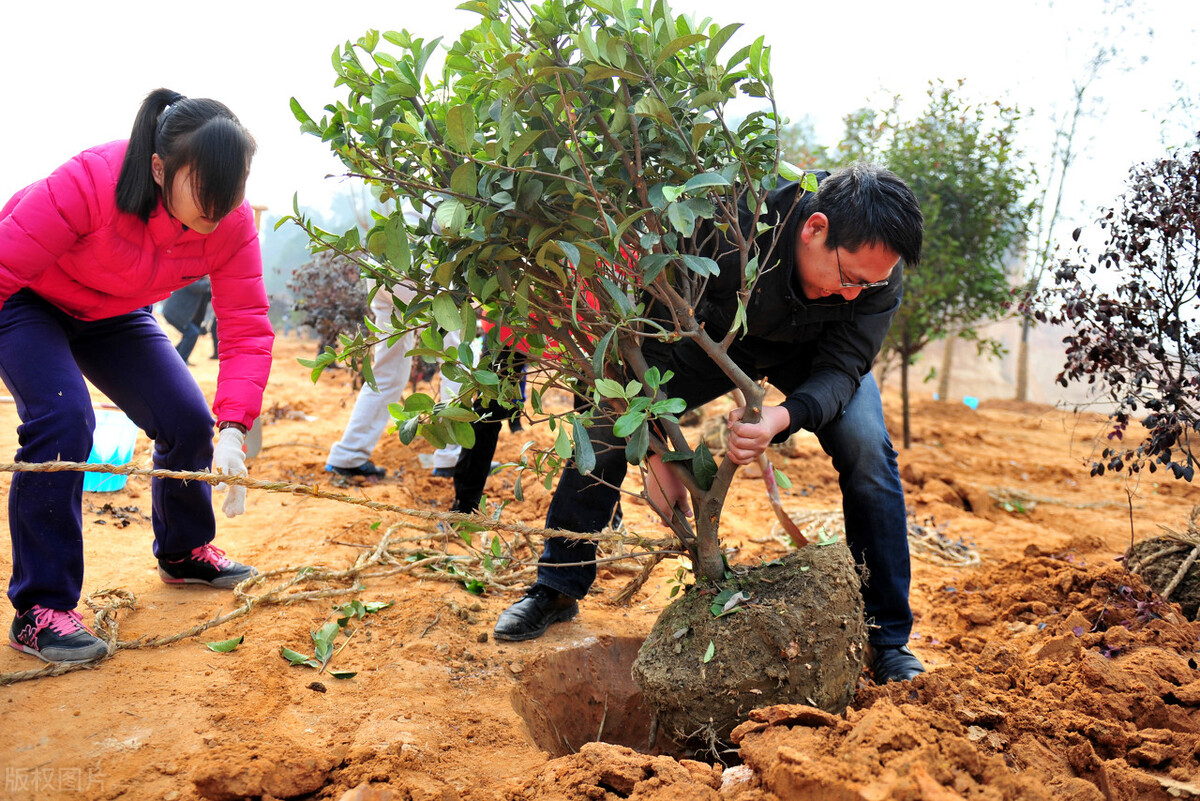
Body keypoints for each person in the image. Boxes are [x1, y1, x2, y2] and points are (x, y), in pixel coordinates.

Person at [493, 164, 928, 685]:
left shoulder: (876, 272)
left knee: (867, 446)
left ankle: (887, 638)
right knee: (608, 421)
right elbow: (646, 337)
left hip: (814, 356)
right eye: (850, 278)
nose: (856, 294)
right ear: (814, 229)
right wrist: (655, 449)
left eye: (870, 284)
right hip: (713, 338)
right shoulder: (728, 220)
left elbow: (843, 367)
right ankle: (557, 586)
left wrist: (782, 416)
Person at [0, 88, 271, 664]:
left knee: (187, 420)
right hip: (29, 297)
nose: (218, 209)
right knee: (63, 419)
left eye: (231, 192)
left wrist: (233, 427)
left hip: (114, 312)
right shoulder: (91, 181)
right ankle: (40, 608)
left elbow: (247, 326)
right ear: (158, 168)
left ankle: (183, 551)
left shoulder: (230, 221)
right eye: (205, 189)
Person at [324, 281, 462, 480]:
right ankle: (453, 457)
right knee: (458, 357)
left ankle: (348, 455)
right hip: (417, 272)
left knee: (388, 371)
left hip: (381, 273)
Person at [163, 276, 211, 363]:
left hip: (180, 314)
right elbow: (198, 287)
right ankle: (180, 360)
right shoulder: (192, 277)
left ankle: (173, 357)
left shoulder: (201, 281)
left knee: (190, 334)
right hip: (174, 312)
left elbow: (208, 295)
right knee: (192, 333)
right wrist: (210, 280)